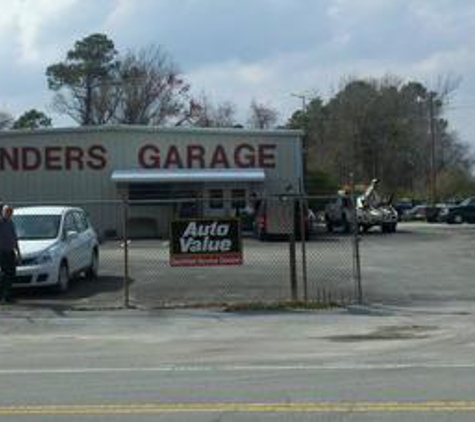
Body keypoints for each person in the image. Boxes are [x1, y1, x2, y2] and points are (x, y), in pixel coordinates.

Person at [0, 205, 21, 303]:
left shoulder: (11, 223)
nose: (9, 214)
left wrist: (18, 252)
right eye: (7, 212)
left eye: (10, 212)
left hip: (10, 252)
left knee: (12, 273)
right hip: (2, 252)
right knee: (4, 274)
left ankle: (7, 295)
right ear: (3, 212)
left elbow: (14, 238)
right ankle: (3, 296)